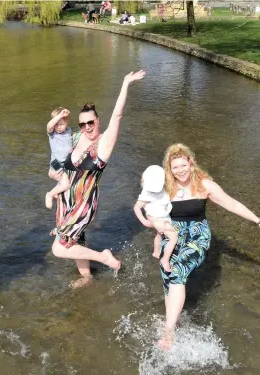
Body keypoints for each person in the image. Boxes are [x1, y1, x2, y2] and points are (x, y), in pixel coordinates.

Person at [156, 144, 260, 350]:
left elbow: (232, 204)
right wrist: (155, 226)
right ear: (169, 168)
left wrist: (259, 221)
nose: (180, 170)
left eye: (184, 165)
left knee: (178, 270)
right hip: (173, 235)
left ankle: (169, 331)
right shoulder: (165, 187)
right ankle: (173, 320)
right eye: (175, 167)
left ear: (191, 164)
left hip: (197, 235)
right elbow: (149, 209)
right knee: (168, 276)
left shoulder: (204, 185)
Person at [50, 70, 146, 288]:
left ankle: (104, 257)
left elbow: (117, 116)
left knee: (59, 248)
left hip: (84, 203)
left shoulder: (103, 144)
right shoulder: (76, 138)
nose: (87, 127)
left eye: (90, 122)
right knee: (76, 241)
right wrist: (55, 172)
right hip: (65, 201)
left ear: (97, 120)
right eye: (82, 124)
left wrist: (125, 83)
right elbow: (57, 152)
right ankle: (87, 278)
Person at [133, 165, 178, 272]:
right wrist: (144, 221)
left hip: (163, 216)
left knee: (159, 235)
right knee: (174, 237)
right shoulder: (147, 193)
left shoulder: (164, 188)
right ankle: (165, 259)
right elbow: (137, 207)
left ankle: (156, 252)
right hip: (157, 218)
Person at [44, 107, 72, 210]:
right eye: (56, 124)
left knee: (64, 183)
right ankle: (50, 194)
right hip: (56, 162)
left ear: (67, 123)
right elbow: (49, 125)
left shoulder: (68, 131)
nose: (59, 127)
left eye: (62, 124)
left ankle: (56, 193)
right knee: (65, 185)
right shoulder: (53, 134)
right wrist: (60, 115)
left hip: (64, 164)